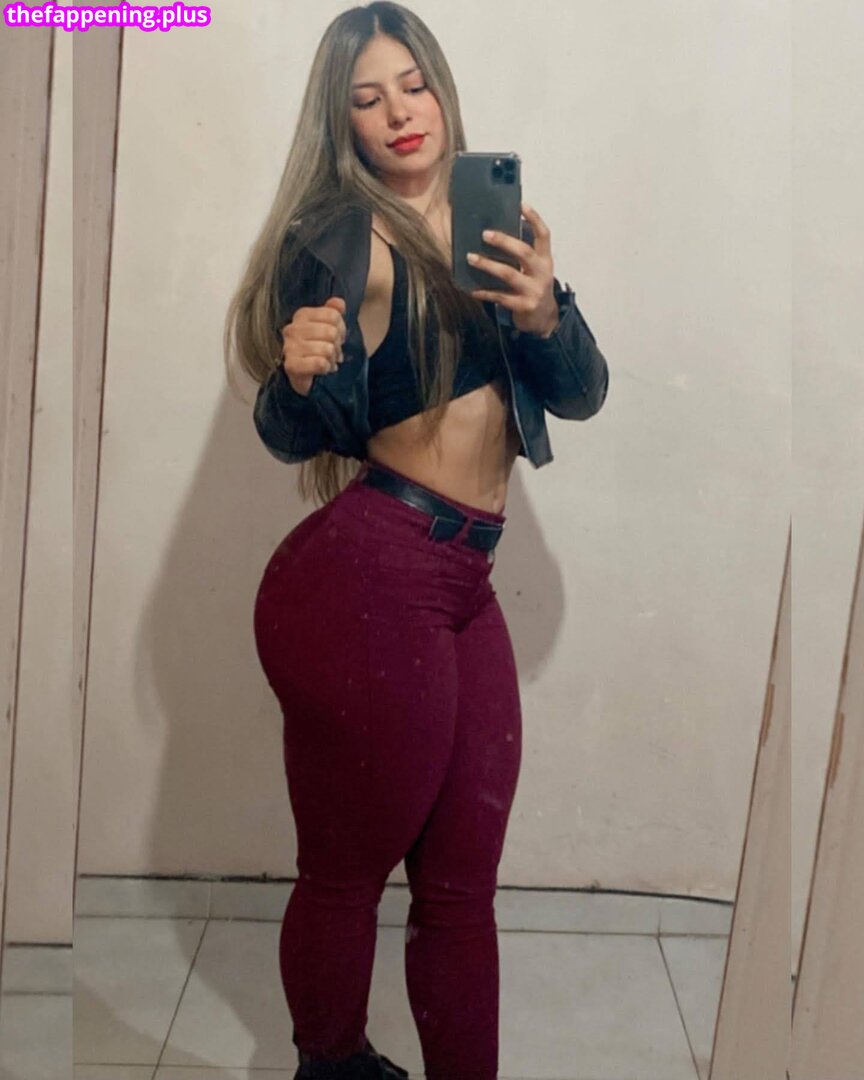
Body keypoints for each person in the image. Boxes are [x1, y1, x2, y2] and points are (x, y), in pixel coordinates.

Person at [224, 3, 609, 1078]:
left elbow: (583, 395)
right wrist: (297, 372)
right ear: (340, 122)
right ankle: (331, 1064)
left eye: (413, 84)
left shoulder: (499, 231)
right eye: (366, 98)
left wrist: (545, 312)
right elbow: (296, 430)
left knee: (461, 888)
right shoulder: (342, 237)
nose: (398, 112)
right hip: (369, 577)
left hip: (461, 581)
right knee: (347, 873)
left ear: (442, 89)